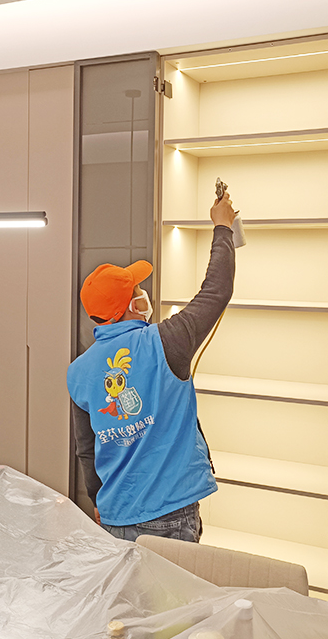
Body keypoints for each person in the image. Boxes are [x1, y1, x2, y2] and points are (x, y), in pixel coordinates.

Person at [67, 192, 237, 542]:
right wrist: (223, 227)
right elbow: (215, 291)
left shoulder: (78, 371)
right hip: (170, 516)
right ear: (131, 306)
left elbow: (86, 448)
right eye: (137, 290)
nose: (143, 293)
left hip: (114, 516)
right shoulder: (166, 342)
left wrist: (98, 500)